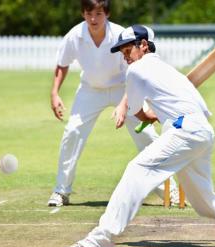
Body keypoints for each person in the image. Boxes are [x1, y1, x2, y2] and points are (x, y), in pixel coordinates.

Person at [62, 24, 215, 247]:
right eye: (122, 53)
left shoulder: (137, 70)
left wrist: (149, 116)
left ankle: (101, 239)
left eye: (128, 51)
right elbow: (195, 107)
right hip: (201, 131)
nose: (125, 57)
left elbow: (137, 111)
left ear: (144, 46)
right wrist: (160, 115)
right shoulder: (168, 70)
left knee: (137, 169)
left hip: (184, 130)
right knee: (204, 202)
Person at [48, 0, 179, 207]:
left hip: (123, 88)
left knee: (145, 133)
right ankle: (61, 191)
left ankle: (170, 193)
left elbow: (132, 73)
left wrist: (124, 105)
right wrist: (55, 93)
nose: (93, 19)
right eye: (89, 14)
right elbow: (62, 64)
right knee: (72, 132)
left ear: (106, 14)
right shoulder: (75, 35)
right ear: (83, 14)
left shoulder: (120, 35)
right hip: (90, 89)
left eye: (98, 14)